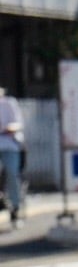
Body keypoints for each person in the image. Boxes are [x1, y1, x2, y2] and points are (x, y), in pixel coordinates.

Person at [0, 84, 25, 227]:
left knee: (11, 173)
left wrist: (8, 128)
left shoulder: (9, 103)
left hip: (10, 144)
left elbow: (18, 123)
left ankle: (15, 209)